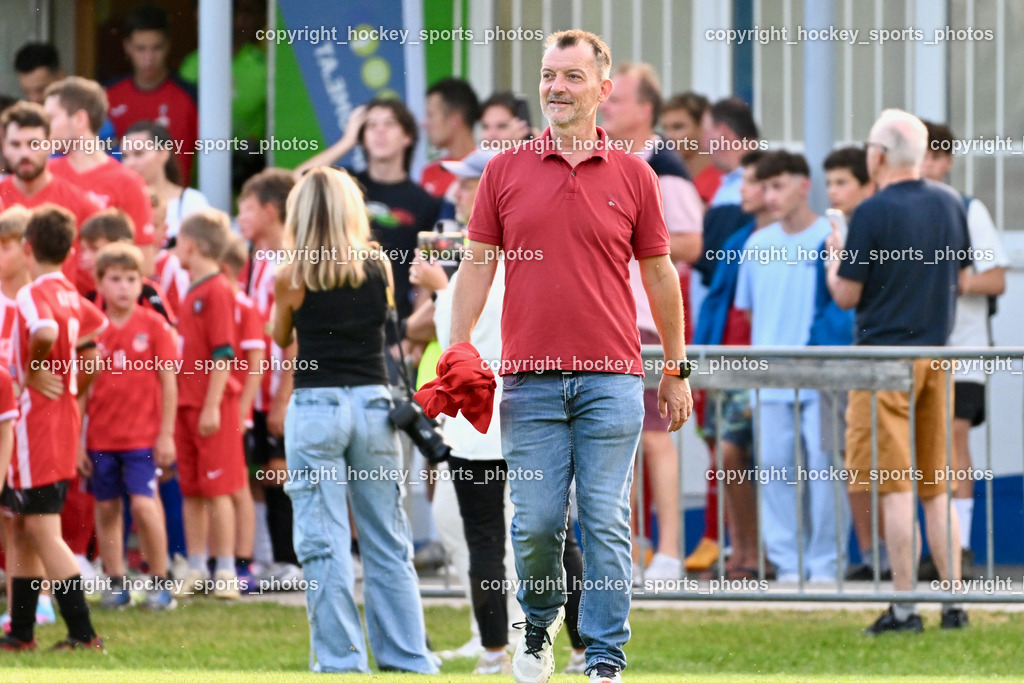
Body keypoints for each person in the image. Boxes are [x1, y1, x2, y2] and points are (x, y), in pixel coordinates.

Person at [445, 29, 692, 683]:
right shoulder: (503, 170)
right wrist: (457, 349)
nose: (556, 87)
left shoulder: (636, 175)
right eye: (549, 75)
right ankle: (537, 628)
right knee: (536, 524)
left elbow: (661, 274)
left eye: (572, 76)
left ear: (603, 90)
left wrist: (676, 368)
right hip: (527, 381)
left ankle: (605, 657)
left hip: (613, 378)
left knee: (605, 520)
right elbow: (477, 264)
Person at [271, 167, 438, 674]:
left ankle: (342, 662)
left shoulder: (290, 274)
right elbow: (383, 324)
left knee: (324, 542)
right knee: (387, 539)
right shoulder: (378, 263)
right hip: (373, 405)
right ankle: (407, 656)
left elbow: (280, 336)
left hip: (316, 406)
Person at [826, 108, 971, 633]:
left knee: (893, 486)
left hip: (883, 362)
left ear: (880, 155)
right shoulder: (951, 202)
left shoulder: (872, 211)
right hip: (937, 356)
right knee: (935, 484)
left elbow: (846, 295)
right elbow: (962, 277)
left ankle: (905, 608)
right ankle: (954, 604)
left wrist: (835, 257)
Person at [598, 61, 703, 582]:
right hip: (606, 320)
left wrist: (626, 237)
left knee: (656, 436)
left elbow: (691, 241)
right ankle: (634, 550)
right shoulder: (602, 157)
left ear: (645, 110)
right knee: (621, 439)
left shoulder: (666, 166)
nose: (604, 107)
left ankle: (669, 553)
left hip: (646, 322)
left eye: (616, 100)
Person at [734, 150, 845, 583]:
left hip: (821, 376)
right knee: (774, 473)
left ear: (804, 185)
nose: (770, 196)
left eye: (778, 186)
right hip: (769, 378)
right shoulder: (756, 245)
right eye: (765, 187)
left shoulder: (829, 238)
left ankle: (825, 566)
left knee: (824, 472)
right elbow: (749, 313)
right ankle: (788, 566)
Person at [1, 204, 107, 652]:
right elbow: (94, 341)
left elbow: (43, 332)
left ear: (27, 248)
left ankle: (83, 633)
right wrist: (72, 385)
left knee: (43, 530)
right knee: (24, 527)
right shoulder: (70, 294)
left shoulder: (34, 293)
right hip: (61, 420)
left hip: (35, 427)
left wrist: (32, 371)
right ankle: (21, 632)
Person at [919, 120, 1009, 581]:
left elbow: (996, 279)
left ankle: (961, 546)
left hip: (963, 350)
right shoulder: (895, 208)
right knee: (917, 446)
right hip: (913, 349)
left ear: (946, 161)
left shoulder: (968, 210)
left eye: (933, 156)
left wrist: (946, 280)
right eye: (918, 154)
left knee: (953, 437)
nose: (925, 165)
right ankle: (931, 545)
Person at [80, 242, 177, 611]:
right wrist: (76, 442)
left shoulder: (154, 326)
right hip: (101, 437)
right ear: (99, 283)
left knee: (144, 505)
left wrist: (166, 434)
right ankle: (115, 581)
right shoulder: (92, 329)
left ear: (142, 283)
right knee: (106, 508)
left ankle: (161, 581)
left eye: (132, 279)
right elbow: (81, 390)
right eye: (115, 279)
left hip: (142, 439)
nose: (124, 287)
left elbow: (169, 382)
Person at [684, 97, 759, 573]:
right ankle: (738, 548)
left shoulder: (735, 201)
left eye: (704, 131)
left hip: (734, 349)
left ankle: (746, 550)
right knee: (725, 447)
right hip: (716, 343)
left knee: (734, 449)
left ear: (725, 134)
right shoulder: (727, 194)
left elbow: (710, 266)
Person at [812, 147, 877, 581]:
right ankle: (871, 555)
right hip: (833, 360)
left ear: (867, 185)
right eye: (830, 183)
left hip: (870, 359)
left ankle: (891, 555)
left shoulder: (878, 232)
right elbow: (823, 303)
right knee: (845, 459)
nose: (834, 191)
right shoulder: (828, 239)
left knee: (882, 460)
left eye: (843, 182)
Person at [174, 208, 246, 600]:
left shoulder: (217, 289)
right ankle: (197, 565)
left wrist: (212, 404)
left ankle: (226, 569)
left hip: (211, 405)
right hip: (188, 403)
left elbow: (223, 353)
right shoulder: (192, 289)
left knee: (219, 488)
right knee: (192, 488)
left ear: (192, 245)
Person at [236, 169, 301, 585]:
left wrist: (282, 398)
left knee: (280, 470)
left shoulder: (290, 262)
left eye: (246, 209)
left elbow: (294, 338)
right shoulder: (252, 260)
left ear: (270, 212)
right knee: (257, 472)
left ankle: (288, 558)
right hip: (254, 389)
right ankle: (261, 558)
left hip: (279, 387)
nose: (240, 218)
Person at [43, 76, 157, 276]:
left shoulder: (127, 182)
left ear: (79, 119)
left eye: (51, 119)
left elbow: (144, 265)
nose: (44, 128)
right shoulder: (45, 174)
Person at [0, 102, 101, 293]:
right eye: (15, 144)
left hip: (62, 306)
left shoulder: (81, 203)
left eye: (34, 144)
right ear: (4, 146)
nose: (24, 153)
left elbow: (100, 268)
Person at [219, 233, 266, 592]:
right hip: (210, 410)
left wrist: (241, 409)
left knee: (237, 486)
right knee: (216, 486)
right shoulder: (206, 299)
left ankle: (243, 561)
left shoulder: (243, 306)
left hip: (232, 412)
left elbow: (256, 362)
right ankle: (215, 559)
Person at [105, 4, 198, 182]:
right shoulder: (108, 95)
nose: (148, 58)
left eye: (156, 48)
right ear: (127, 47)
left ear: (168, 46)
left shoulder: (190, 96)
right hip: (121, 195)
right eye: (141, 48)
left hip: (175, 196)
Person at [121, 120, 209, 241]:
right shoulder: (119, 203)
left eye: (139, 154)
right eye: (125, 156)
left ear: (163, 153)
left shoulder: (192, 201)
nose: (130, 163)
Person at [421, 78, 480, 199]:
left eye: (431, 115)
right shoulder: (430, 172)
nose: (424, 123)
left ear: (454, 120)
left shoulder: (489, 168)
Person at [660, 92, 723, 204]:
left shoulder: (723, 181)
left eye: (678, 127)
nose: (669, 136)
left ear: (703, 127)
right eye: (665, 129)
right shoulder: (665, 180)